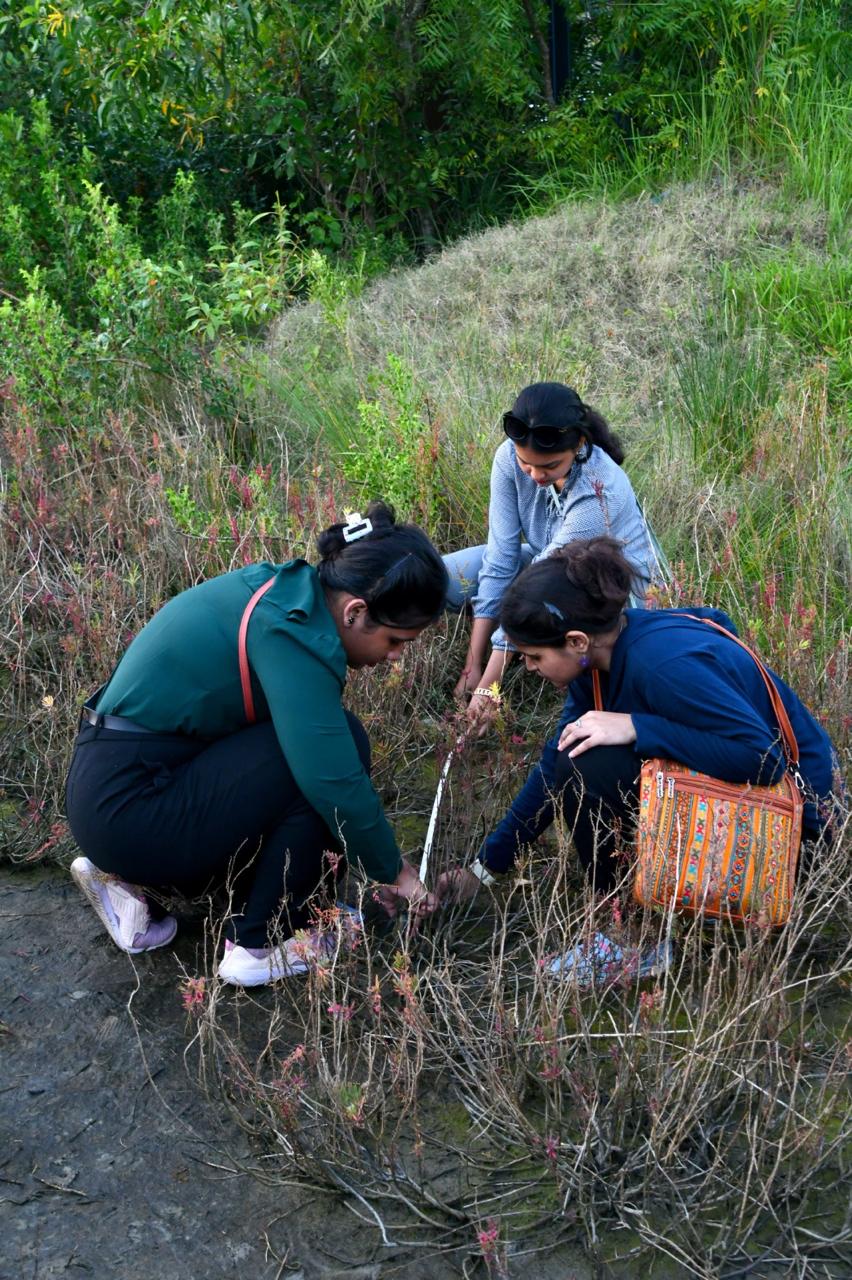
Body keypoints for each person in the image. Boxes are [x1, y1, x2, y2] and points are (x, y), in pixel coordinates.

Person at [66, 502, 448, 987]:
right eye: (397, 640)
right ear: (356, 611)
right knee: (337, 748)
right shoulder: (292, 632)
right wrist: (396, 871)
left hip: (109, 793)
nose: (395, 657)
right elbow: (333, 781)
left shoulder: (282, 592)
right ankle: (262, 943)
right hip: (137, 811)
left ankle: (129, 889)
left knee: (302, 747)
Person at [438, 537, 841, 983]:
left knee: (592, 765)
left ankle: (635, 942)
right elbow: (555, 766)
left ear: (576, 640)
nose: (530, 668)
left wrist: (638, 727)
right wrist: (484, 868)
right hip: (746, 791)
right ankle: (644, 911)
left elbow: (764, 761)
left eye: (534, 657)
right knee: (579, 754)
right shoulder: (594, 664)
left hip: (798, 827)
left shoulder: (661, 665)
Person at [443, 381, 664, 735]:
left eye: (549, 466)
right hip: (550, 563)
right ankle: (516, 646)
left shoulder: (598, 491)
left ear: (578, 444)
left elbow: (537, 589)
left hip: (611, 591)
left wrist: (489, 685)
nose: (535, 476)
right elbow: (501, 557)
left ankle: (527, 650)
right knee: (446, 578)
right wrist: (472, 665)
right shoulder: (507, 459)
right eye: (525, 463)